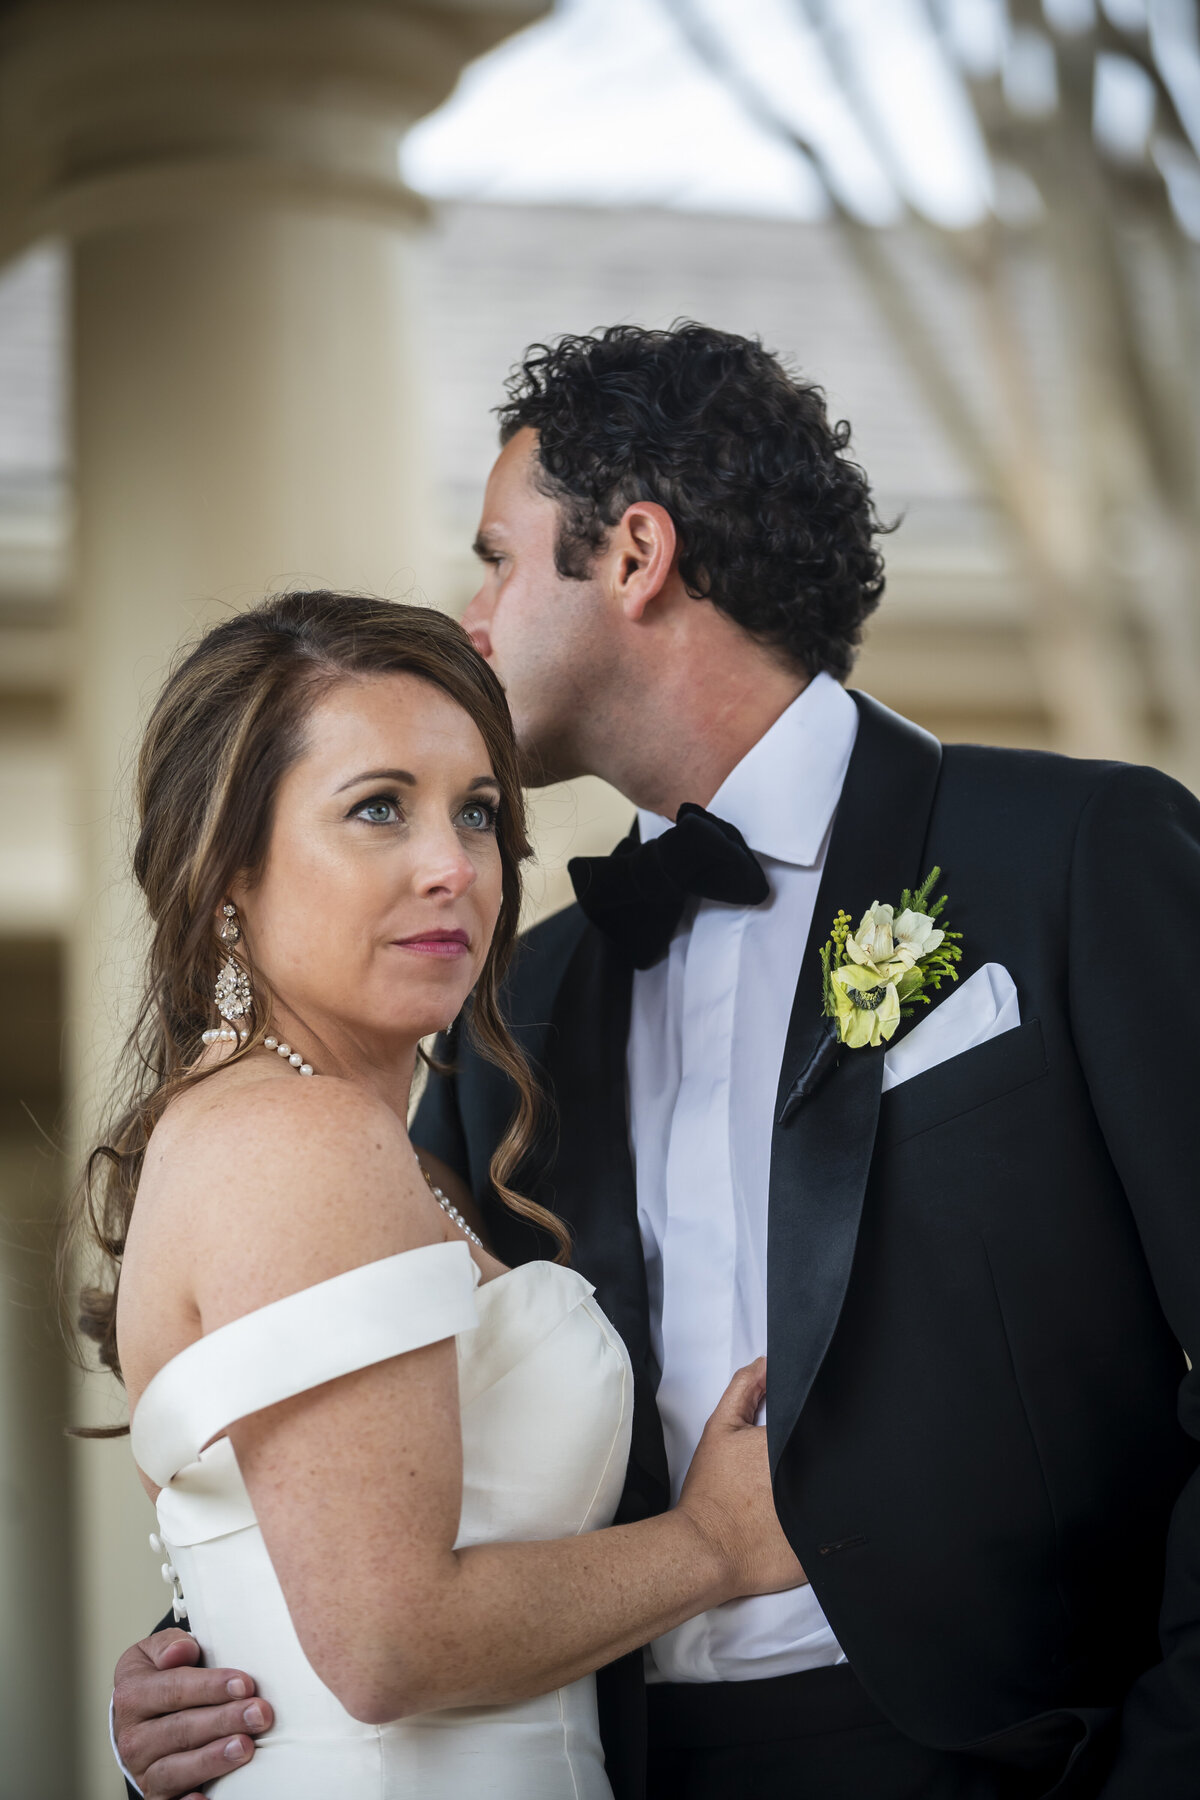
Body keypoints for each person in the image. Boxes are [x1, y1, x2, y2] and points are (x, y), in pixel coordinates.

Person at [112, 324, 1200, 1800]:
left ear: (634, 554)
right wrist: (221, 1670)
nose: (474, 617)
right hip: (615, 1761)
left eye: (498, 560)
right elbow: (393, 1429)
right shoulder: (521, 998)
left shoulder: (1078, 856)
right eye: (383, 810)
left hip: (1032, 1754)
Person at [78, 589, 804, 1800]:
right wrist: (715, 1546)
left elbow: (298, 1547)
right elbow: (388, 1644)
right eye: (377, 809)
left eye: (475, 813)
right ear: (227, 871)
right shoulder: (301, 1139)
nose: (452, 868)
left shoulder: (373, 1141)